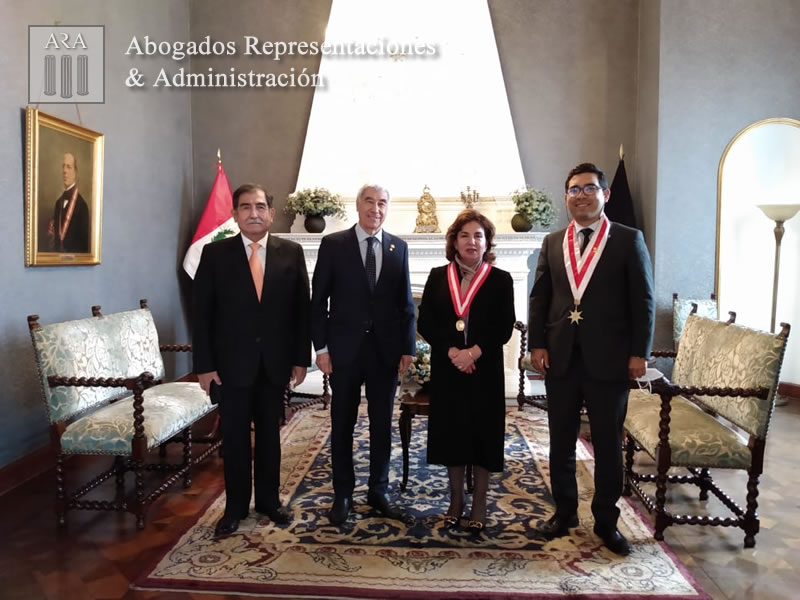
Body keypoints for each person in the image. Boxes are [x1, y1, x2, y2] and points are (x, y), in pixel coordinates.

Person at [527, 162, 655, 555]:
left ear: (605, 194)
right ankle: (564, 512)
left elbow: (643, 301)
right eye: (573, 189)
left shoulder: (627, 239)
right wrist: (537, 345)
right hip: (561, 359)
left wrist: (639, 353)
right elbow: (540, 298)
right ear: (566, 196)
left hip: (610, 361)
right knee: (561, 442)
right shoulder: (552, 242)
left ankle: (605, 521)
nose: (580, 195)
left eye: (588, 188)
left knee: (606, 445)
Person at [193, 183, 311, 539]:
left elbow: (300, 312)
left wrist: (299, 358)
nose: (254, 213)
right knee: (235, 439)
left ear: (271, 214)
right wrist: (205, 365)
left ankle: (269, 502)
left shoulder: (291, 253)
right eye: (246, 207)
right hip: (230, 367)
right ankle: (235, 508)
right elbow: (202, 315)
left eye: (261, 206)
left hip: (274, 364)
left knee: (270, 438)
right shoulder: (215, 255)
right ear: (234, 214)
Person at [311, 183, 415, 526]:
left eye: (382, 202)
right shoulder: (333, 244)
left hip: (384, 353)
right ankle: (343, 493)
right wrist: (321, 348)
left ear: (388, 208)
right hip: (343, 351)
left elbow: (405, 304)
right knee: (343, 423)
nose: (376, 208)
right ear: (358, 206)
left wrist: (407, 348)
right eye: (369, 201)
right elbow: (318, 302)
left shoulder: (398, 247)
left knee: (382, 424)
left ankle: (378, 490)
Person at [417, 210, 515, 534]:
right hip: (448, 369)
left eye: (478, 236)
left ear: (487, 242)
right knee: (453, 433)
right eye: (464, 235)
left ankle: (480, 502)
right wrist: (452, 351)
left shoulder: (500, 280)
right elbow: (426, 322)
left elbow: (503, 325)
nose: (471, 241)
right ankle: (456, 499)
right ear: (454, 242)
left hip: (485, 370)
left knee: (484, 433)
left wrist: (473, 352)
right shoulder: (436, 276)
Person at [47, 152, 89, 253]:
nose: (64, 171)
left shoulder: (82, 206)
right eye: (63, 166)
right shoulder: (58, 203)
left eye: (69, 167)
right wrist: (52, 235)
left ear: (75, 173)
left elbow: (83, 247)